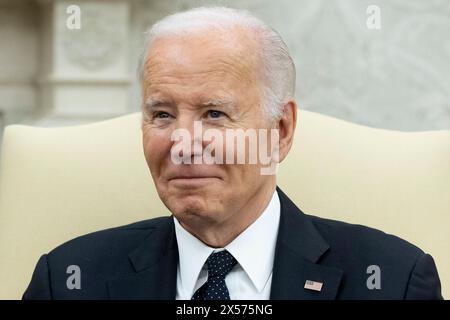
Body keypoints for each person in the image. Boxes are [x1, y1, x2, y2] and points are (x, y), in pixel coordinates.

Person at [23, 7, 442, 300]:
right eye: (163, 114)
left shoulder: (392, 281)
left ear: (280, 131)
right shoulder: (68, 282)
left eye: (214, 113)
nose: (183, 144)